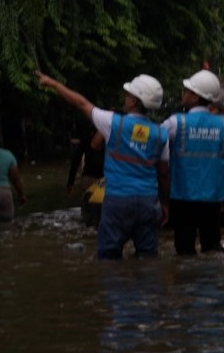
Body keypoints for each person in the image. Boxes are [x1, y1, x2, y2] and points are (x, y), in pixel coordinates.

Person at [37, 70, 169, 259]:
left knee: (108, 259)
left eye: (128, 95)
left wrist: (54, 84)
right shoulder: (161, 133)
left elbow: (81, 103)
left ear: (134, 101)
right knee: (148, 260)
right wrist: (164, 204)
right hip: (148, 203)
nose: (125, 98)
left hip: (118, 203)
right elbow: (164, 174)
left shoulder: (112, 123)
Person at [162, 69, 224, 255]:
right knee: (212, 249)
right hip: (211, 200)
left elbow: (154, 148)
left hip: (182, 199)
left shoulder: (175, 122)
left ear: (195, 98)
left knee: (184, 251)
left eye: (186, 91)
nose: (183, 94)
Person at [66, 122, 105, 196]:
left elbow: (76, 159)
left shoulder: (88, 136)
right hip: (96, 177)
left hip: (94, 177)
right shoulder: (107, 136)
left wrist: (70, 181)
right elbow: (76, 158)